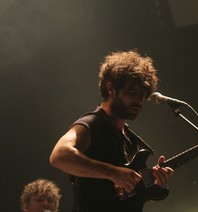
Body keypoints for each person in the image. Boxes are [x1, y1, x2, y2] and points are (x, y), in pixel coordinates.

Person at [49, 50, 174, 212]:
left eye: (143, 95)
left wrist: (154, 183)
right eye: (132, 93)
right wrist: (113, 172)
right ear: (111, 88)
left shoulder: (129, 138)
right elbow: (59, 156)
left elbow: (122, 193)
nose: (138, 101)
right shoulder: (93, 123)